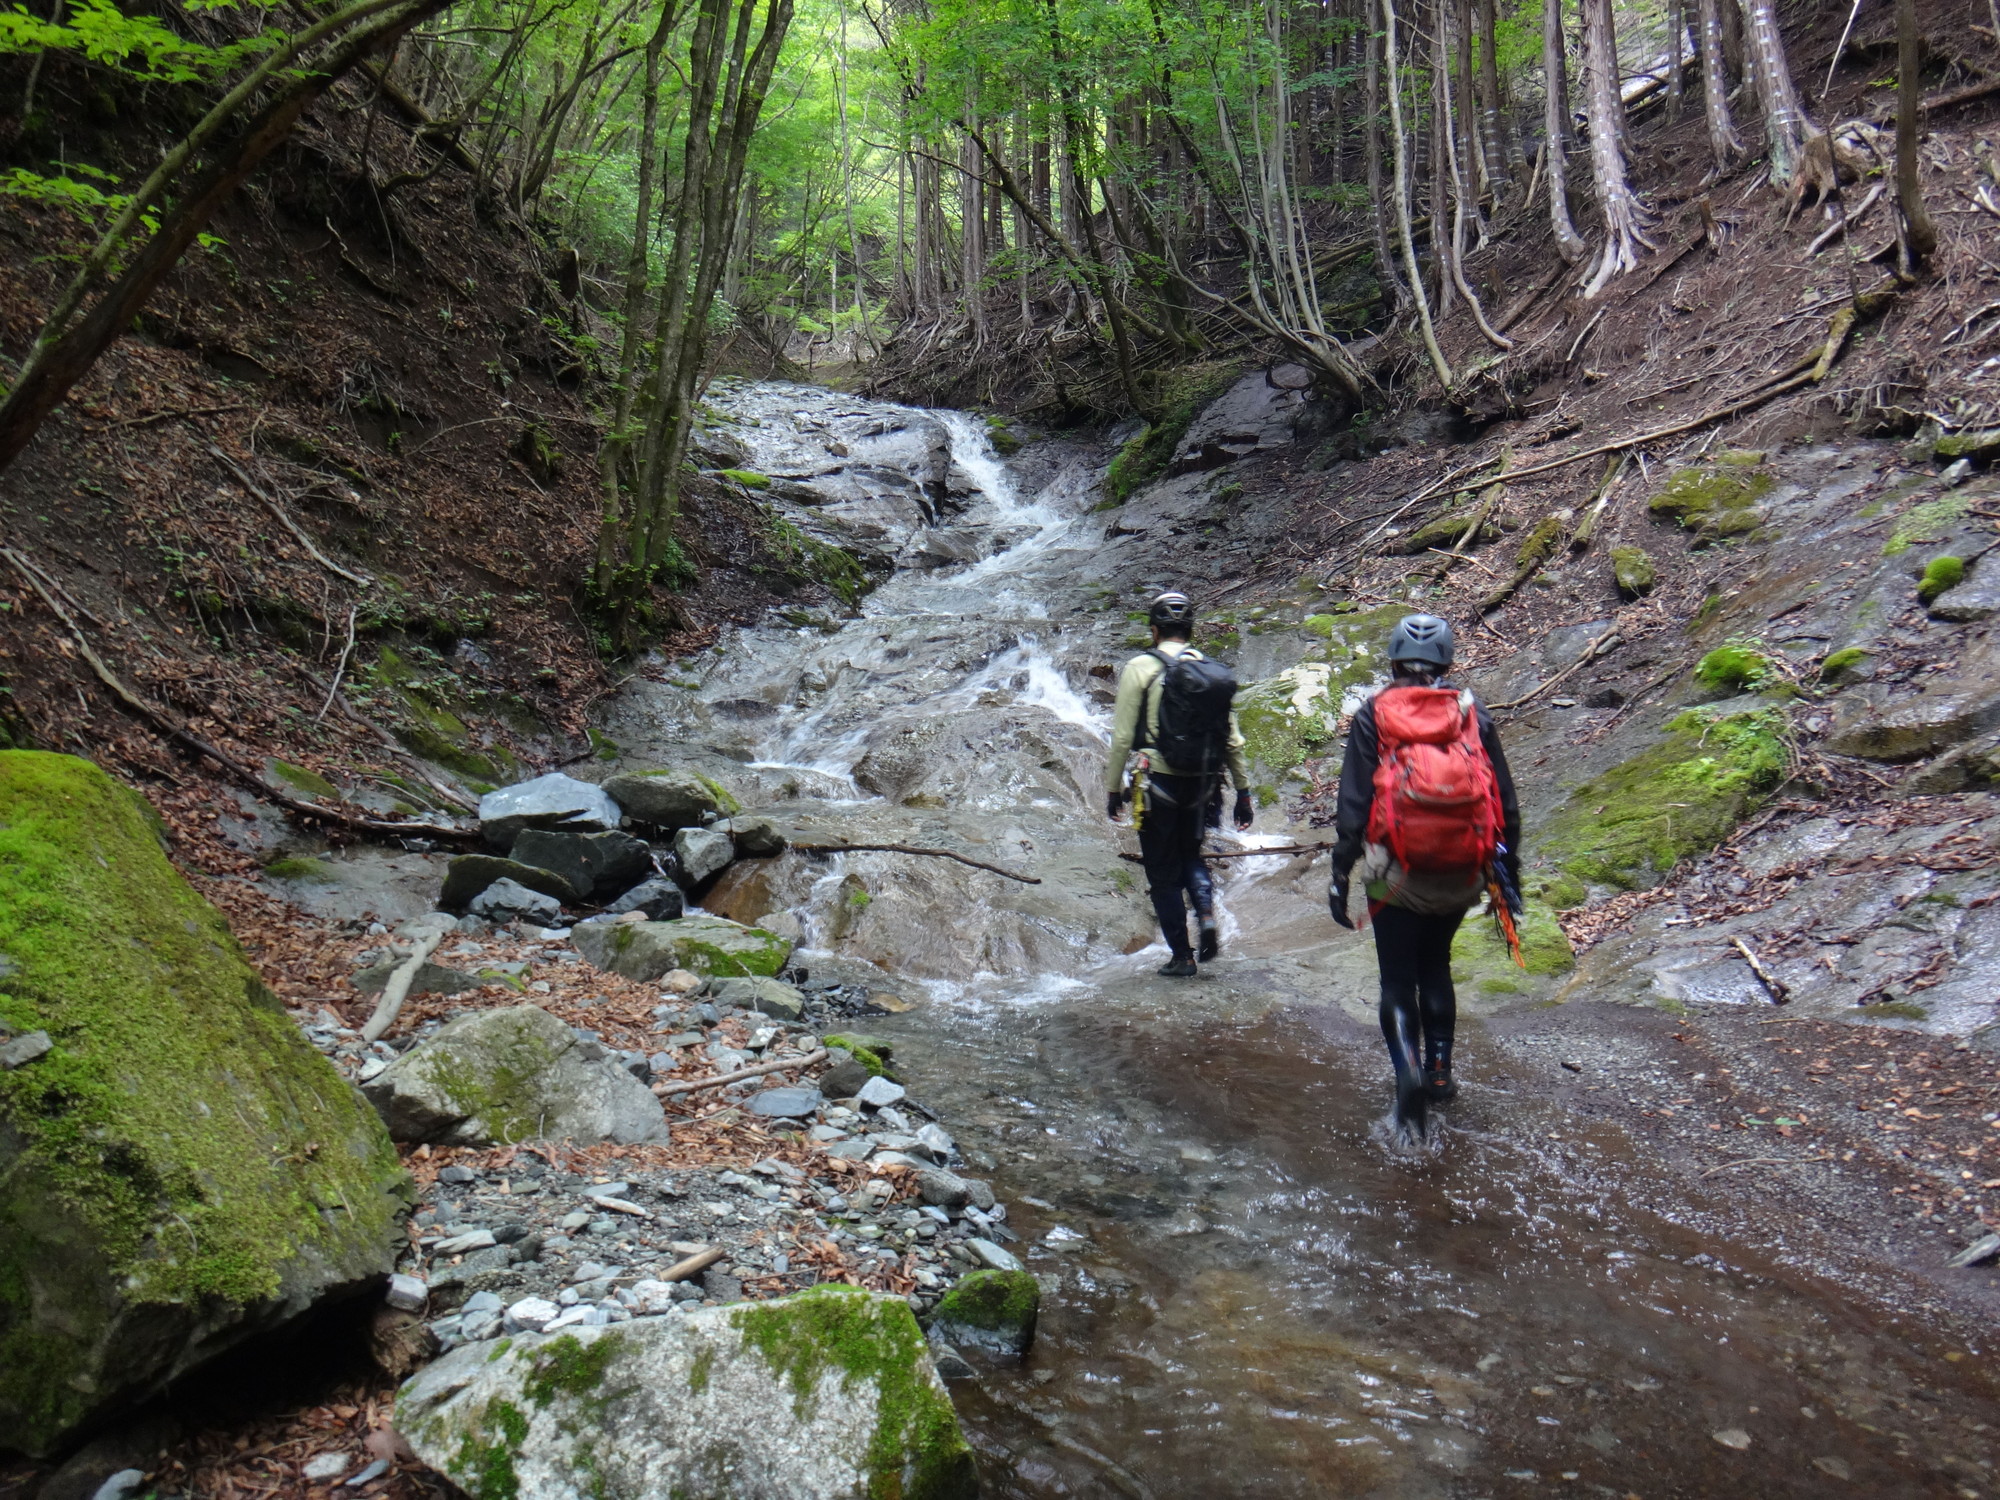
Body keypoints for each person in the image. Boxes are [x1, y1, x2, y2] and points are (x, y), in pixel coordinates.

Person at [1326, 613, 1520, 1136]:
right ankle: (1439, 1073)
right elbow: (1502, 796)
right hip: (1461, 870)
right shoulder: (1470, 710)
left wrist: (1341, 872)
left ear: (1392, 661)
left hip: (1392, 872)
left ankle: (1407, 1073)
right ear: (1447, 663)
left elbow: (1354, 803)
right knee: (1437, 964)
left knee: (1397, 980)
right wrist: (1508, 871)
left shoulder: (1375, 714)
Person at [1105, 591, 1255, 977]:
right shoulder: (1210, 671)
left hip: (1156, 781)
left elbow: (1122, 737)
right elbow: (1232, 739)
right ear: (1190, 631)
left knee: (1162, 872)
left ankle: (1182, 956)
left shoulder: (1141, 667)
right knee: (1192, 855)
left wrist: (1111, 788)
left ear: (1154, 631)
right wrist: (1243, 792)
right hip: (1203, 783)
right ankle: (1205, 914)